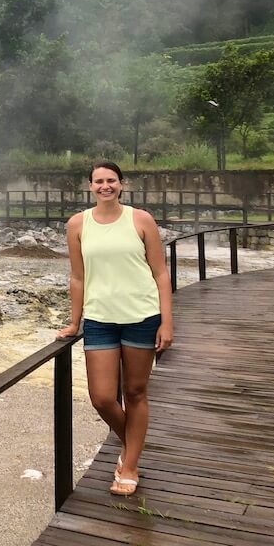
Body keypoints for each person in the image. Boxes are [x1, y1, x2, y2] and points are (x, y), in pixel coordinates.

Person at [56, 161, 173, 496]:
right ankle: (132, 444)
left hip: (141, 317)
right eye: (98, 181)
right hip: (99, 319)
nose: (105, 186)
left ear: (122, 184)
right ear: (90, 187)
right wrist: (74, 322)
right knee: (103, 397)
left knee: (135, 393)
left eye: (111, 180)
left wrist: (167, 321)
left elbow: (161, 274)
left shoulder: (141, 219)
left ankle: (130, 465)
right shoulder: (78, 224)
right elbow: (77, 277)